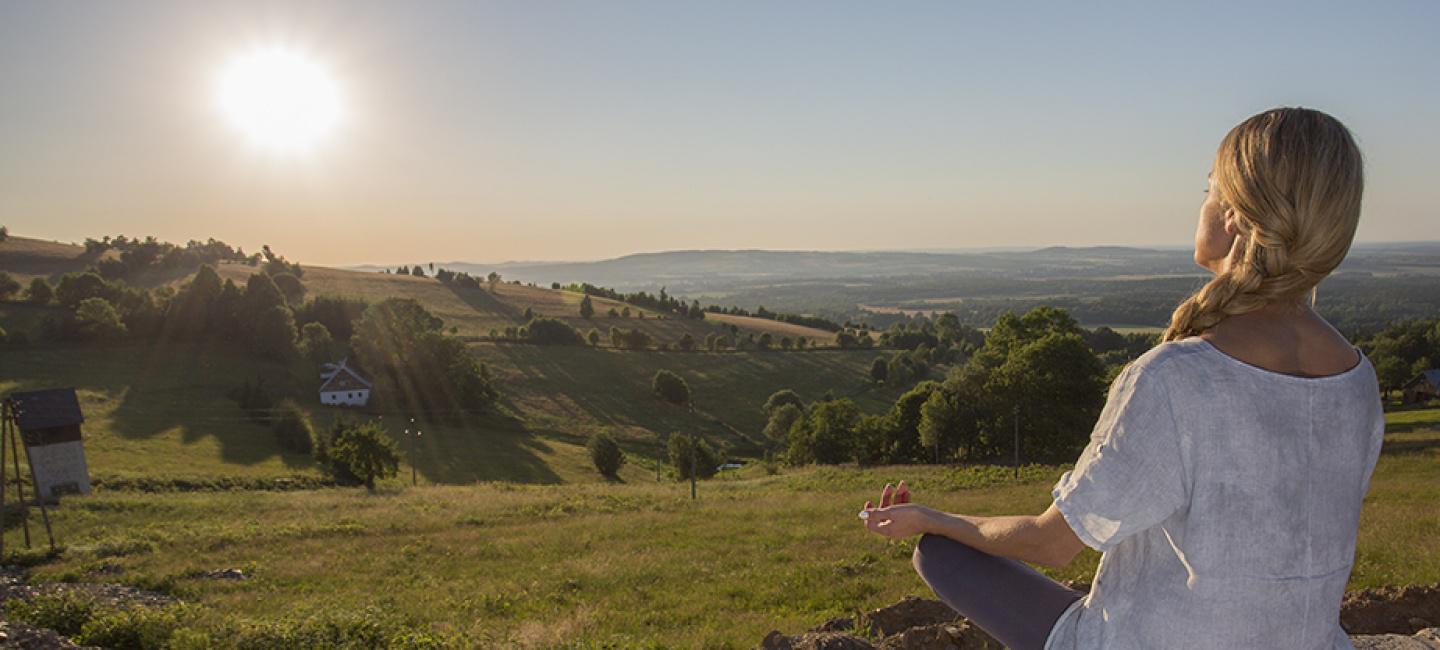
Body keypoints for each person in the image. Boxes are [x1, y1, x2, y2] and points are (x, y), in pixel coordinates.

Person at [859, 107, 1381, 650]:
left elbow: (1052, 544)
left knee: (939, 554)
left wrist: (933, 518)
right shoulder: (1356, 378)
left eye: (1207, 190)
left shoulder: (1177, 379)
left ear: (1231, 217)